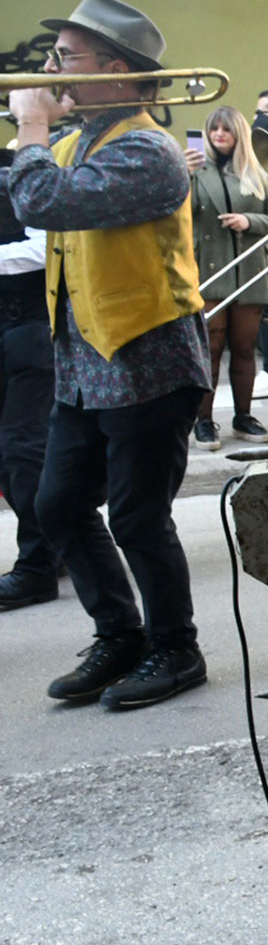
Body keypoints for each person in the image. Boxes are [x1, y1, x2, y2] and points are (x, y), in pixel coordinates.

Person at [3, 0, 213, 707]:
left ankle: (175, 647)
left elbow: (46, 202)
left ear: (117, 70)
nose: (52, 69)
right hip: (82, 367)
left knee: (137, 516)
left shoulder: (149, 151)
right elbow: (27, 190)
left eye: (66, 58)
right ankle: (119, 635)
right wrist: (37, 135)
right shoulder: (76, 140)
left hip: (149, 361)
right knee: (56, 503)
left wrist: (31, 126)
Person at [185, 104, 268, 450]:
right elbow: (176, 215)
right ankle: (204, 421)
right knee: (209, 350)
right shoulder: (194, 171)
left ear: (238, 134)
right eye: (213, 130)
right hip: (208, 269)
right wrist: (182, 174)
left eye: (226, 130)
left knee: (244, 349)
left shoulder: (260, 173)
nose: (218, 136)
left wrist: (249, 221)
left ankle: (243, 416)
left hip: (250, 271)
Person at [0, 149, 56, 611]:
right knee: (7, 455)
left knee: (23, 449)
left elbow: (46, 246)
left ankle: (38, 563)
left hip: (30, 329)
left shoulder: (23, 169)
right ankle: (53, 545)